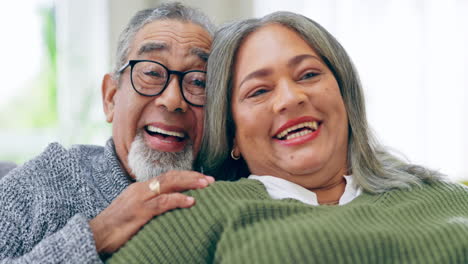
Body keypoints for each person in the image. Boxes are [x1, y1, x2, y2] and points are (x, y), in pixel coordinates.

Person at [106, 11, 468, 263]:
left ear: (345, 96)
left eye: (308, 75)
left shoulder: (443, 195)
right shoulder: (198, 212)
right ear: (231, 132)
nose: (291, 98)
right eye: (259, 91)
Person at [0, 3, 216, 263]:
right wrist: (99, 234)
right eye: (151, 72)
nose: (172, 100)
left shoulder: (234, 192)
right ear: (111, 98)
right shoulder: (39, 184)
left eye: (198, 82)